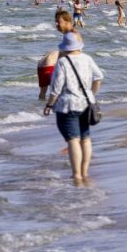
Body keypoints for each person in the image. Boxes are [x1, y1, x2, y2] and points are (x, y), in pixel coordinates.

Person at [43, 32, 103, 182]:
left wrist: (49, 104)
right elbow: (99, 77)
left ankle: (76, 174)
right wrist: (92, 94)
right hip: (86, 103)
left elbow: (56, 89)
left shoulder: (62, 62)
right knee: (85, 138)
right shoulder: (87, 59)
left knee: (73, 140)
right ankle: (85, 172)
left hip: (67, 105)